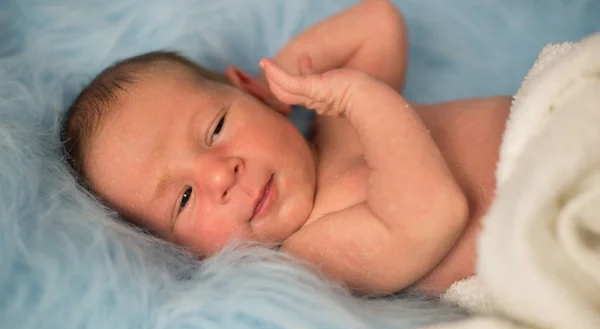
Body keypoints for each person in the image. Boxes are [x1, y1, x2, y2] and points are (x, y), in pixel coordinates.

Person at [62, 0, 510, 295]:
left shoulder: (334, 121)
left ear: (250, 94)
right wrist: (358, 97)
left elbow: (379, 22)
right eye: (183, 198)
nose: (220, 175)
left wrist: (284, 82)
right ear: (184, 253)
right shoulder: (314, 251)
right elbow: (434, 215)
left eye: (216, 128)